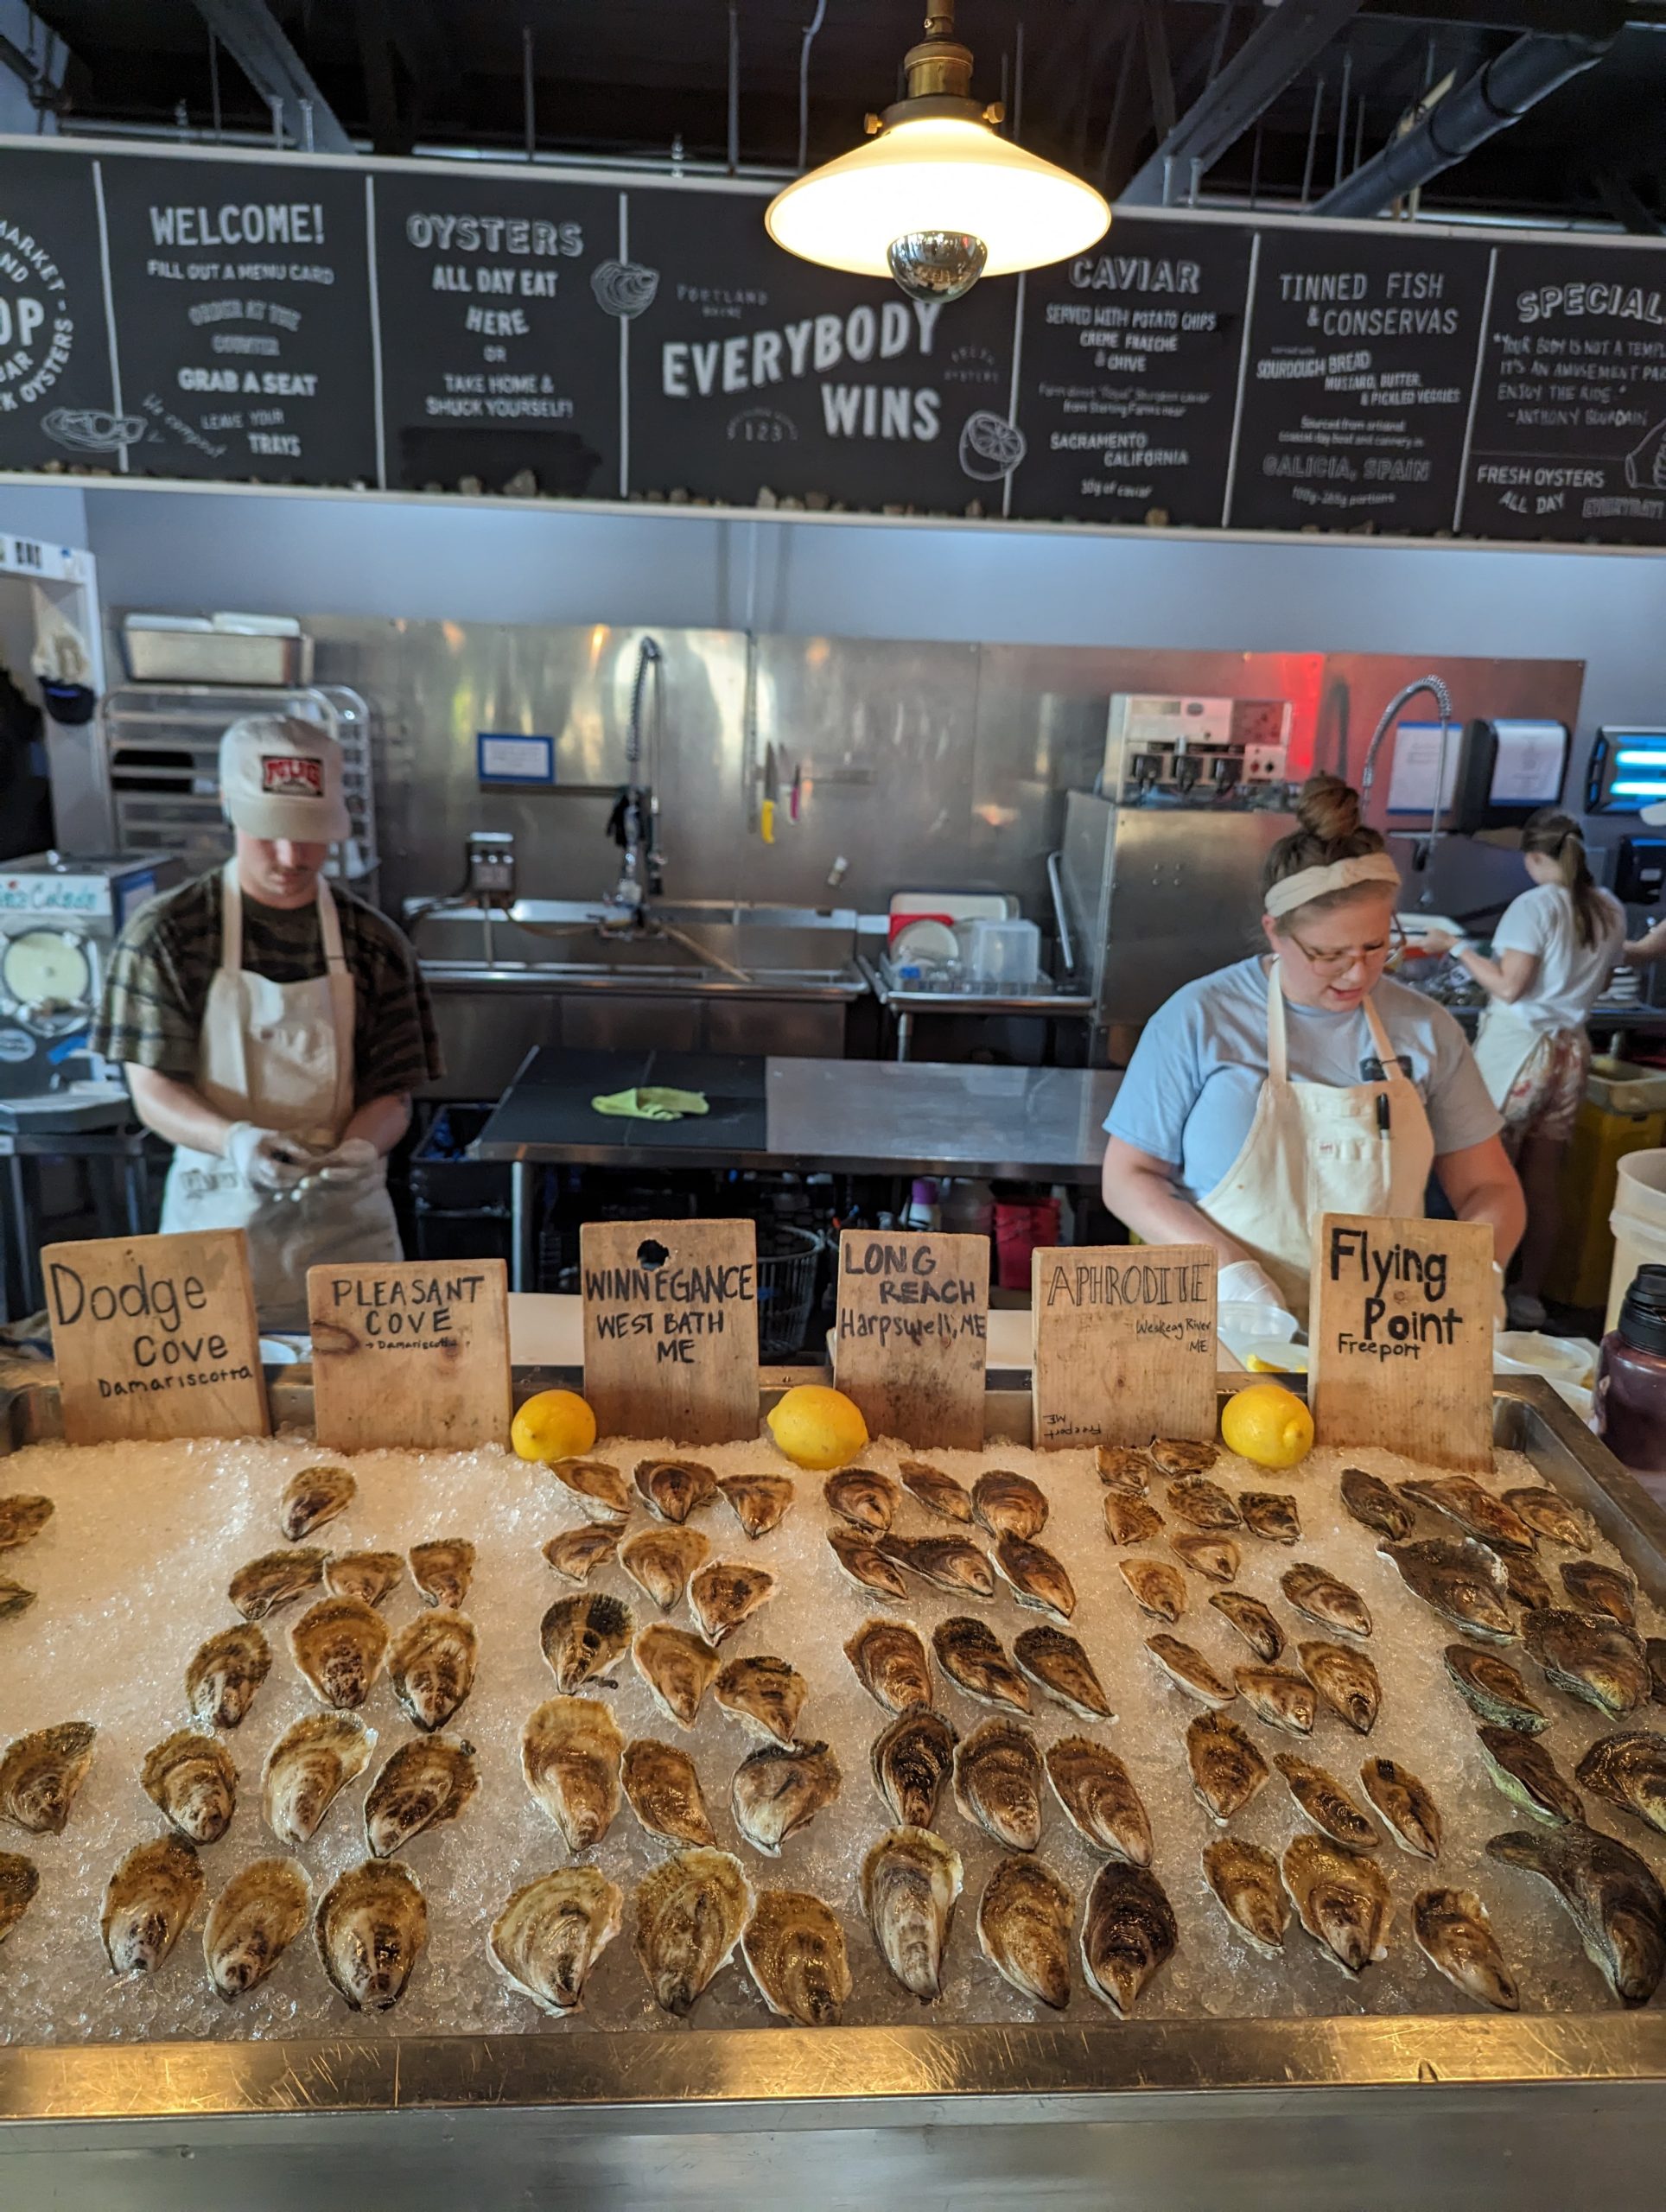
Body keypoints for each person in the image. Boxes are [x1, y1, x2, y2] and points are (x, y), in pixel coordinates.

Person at [1101, 772, 1523, 1322]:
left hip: (1383, 1329)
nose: (1357, 973)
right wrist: (1231, 1276)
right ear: (1275, 931)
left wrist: (1471, 1272)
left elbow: (1490, 1188)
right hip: (1228, 1323)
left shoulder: (1426, 1027)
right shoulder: (1199, 1018)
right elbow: (1128, 1177)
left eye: (1376, 946)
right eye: (1328, 953)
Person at [92, 715, 442, 1331]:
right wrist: (235, 1141)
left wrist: (362, 1145)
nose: (290, 857)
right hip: (217, 1228)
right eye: (271, 833)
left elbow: (392, 1094)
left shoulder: (375, 945)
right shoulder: (169, 935)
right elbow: (151, 1089)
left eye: (309, 835)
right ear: (228, 806)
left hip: (345, 1239)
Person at [1422, 810, 1624, 1330]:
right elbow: (1597, 986)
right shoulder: (1608, 907)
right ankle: (1529, 1296)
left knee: (1490, 1181)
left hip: (1521, 1053)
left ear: (1534, 858)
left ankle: (1484, 1295)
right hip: (1572, 1053)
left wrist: (1458, 948)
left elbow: (1510, 985)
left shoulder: (1534, 906)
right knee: (1542, 1178)